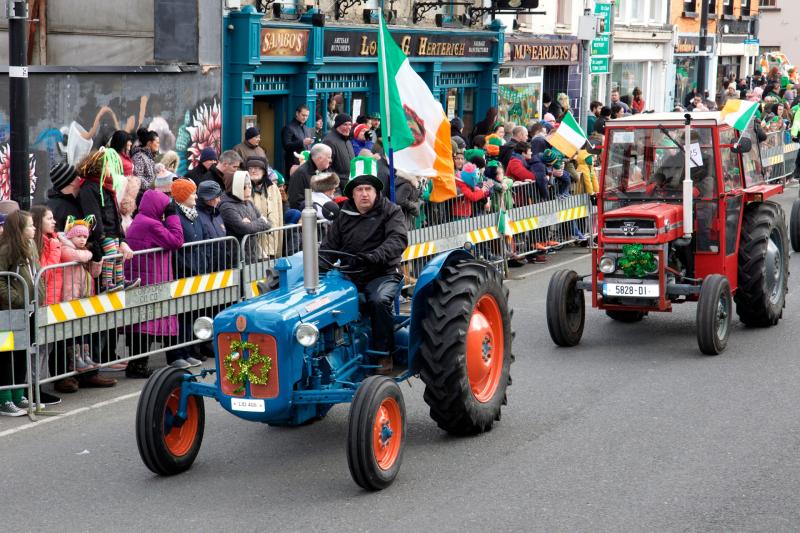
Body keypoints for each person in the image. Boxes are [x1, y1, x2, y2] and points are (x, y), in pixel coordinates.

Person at [319, 156, 408, 373]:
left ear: (376, 190)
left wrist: (374, 255)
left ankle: (384, 354)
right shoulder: (343, 215)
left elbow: (398, 240)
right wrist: (317, 273)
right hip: (351, 275)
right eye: (359, 189)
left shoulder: (391, 211)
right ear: (352, 192)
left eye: (368, 188)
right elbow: (328, 248)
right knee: (320, 300)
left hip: (383, 273)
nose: (364, 194)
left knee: (378, 301)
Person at [123, 190, 185, 378]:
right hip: (150, 279)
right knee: (145, 323)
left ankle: (137, 364)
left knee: (140, 323)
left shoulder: (141, 219)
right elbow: (177, 240)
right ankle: (138, 366)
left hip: (143, 276)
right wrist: (173, 216)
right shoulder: (151, 224)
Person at [0, 210, 43, 415]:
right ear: (19, 229)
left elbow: (37, 273)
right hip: (12, 311)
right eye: (29, 225)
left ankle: (19, 394)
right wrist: (18, 299)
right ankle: (5, 398)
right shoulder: (6, 249)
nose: (34, 228)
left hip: (30, 309)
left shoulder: (31, 246)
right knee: (8, 354)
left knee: (23, 352)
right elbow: (1, 279)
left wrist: (38, 296)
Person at [58, 217, 103, 373]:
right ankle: (75, 358)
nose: (83, 239)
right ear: (71, 236)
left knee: (83, 328)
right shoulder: (65, 247)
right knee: (72, 329)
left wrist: (98, 259)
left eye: (85, 236)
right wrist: (91, 254)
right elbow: (74, 257)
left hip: (84, 294)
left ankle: (85, 354)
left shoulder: (84, 251)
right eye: (79, 236)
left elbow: (95, 273)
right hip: (70, 296)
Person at [219, 170, 271, 263]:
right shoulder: (227, 206)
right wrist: (259, 222)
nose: (248, 189)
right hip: (236, 258)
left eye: (250, 186)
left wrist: (252, 224)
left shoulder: (249, 203)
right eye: (244, 187)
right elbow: (244, 228)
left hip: (252, 254)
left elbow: (268, 223)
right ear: (235, 188)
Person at [246, 157, 284, 258]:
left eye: (257, 168)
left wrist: (279, 248)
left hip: (271, 242)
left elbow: (279, 215)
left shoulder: (273, 188)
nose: (253, 171)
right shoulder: (244, 187)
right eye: (250, 168)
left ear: (264, 171)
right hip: (253, 244)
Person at [195, 180, 228, 271]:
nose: (219, 200)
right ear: (208, 198)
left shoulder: (216, 213)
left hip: (221, 266)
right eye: (217, 197)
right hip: (207, 269)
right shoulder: (197, 216)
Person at [288, 143, 332, 209]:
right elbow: (295, 201)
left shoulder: (324, 171)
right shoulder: (301, 174)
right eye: (328, 157)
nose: (330, 160)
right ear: (320, 158)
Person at [281, 104, 314, 178]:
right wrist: (302, 142)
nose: (305, 117)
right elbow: (286, 146)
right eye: (303, 115)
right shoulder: (288, 128)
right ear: (297, 113)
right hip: (294, 165)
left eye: (307, 116)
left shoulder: (307, 128)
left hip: (307, 164)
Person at [323, 113, 355, 182]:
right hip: (337, 185)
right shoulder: (329, 141)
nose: (348, 127)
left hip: (348, 183)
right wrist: (336, 188)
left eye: (350, 124)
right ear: (338, 125)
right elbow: (326, 168)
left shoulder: (347, 140)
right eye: (345, 124)